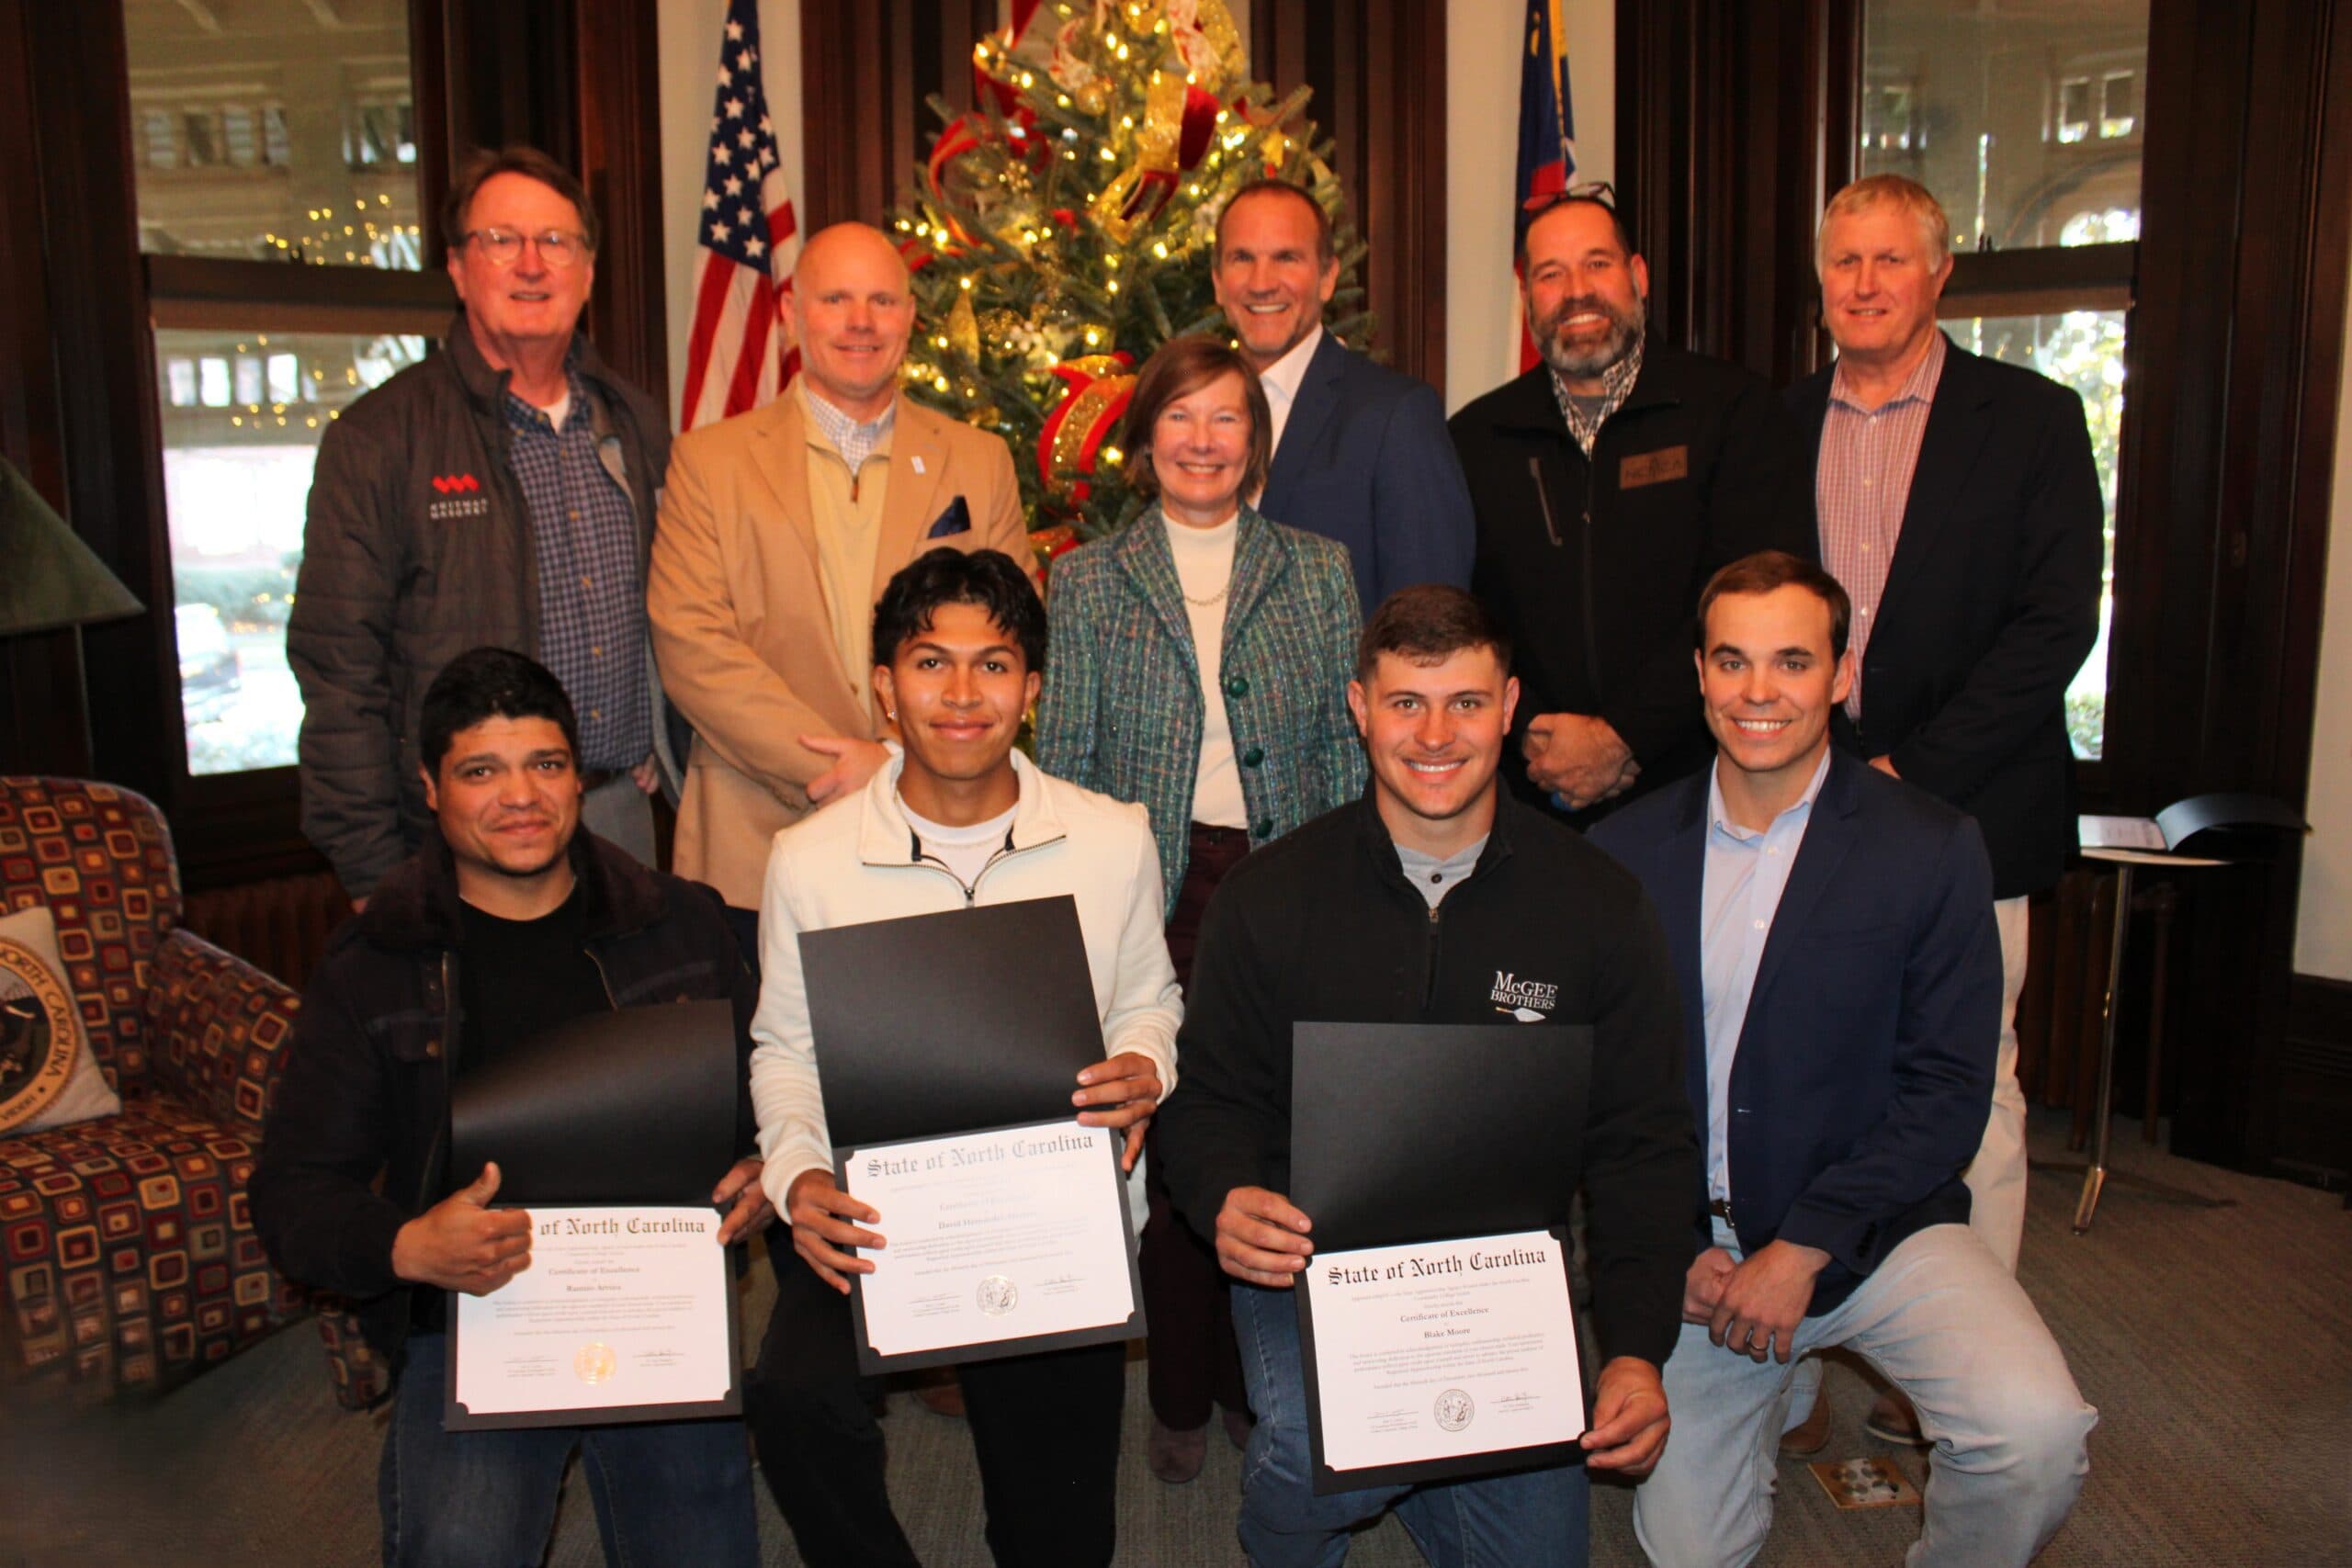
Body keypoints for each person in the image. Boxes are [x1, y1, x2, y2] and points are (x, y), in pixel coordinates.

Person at [1155, 584, 1696, 1567]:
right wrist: (1224, 1194)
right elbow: (1209, 1102)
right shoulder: (1269, 895)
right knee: (1314, 1454)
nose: (1436, 735)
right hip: (1314, 1264)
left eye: (1466, 703)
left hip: (1502, 1282)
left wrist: (1632, 1349)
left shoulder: (1598, 904)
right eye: (1407, 702)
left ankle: (1421, 1468)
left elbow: (1642, 1144)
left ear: (1510, 706)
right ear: (1360, 707)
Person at [1588, 552, 2097, 1567]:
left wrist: (1804, 1246)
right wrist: (1663, 1249)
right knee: (1688, 1554)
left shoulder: (1932, 846)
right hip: (1700, 1258)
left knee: (2035, 1437)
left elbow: (1947, 1092)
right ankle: (1770, 1391)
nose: (1759, 691)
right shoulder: (1621, 853)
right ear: (1700, 674)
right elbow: (1599, 1090)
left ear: (1841, 674)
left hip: (1877, 1232)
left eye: (1792, 661)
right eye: (1733, 661)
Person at [252, 648, 767, 1568]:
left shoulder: (678, 922)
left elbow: (770, 1089)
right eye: (481, 771)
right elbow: (292, 1192)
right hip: (473, 1311)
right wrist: (407, 1246)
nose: (520, 797)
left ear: (579, 777)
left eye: (545, 764)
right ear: (430, 787)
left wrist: (768, 1163)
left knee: (701, 1549)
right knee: (462, 1545)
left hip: (656, 1298)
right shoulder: (376, 964)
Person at [742, 547, 1182, 1567]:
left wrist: (1146, 1061)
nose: (962, 693)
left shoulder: (1112, 838)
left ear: (1032, 690)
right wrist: (799, 1175)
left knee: (1059, 1532)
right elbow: (785, 1050)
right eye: (930, 662)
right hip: (879, 1209)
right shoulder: (810, 859)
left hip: (1053, 1214)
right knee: (795, 1400)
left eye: (994, 664)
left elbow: (1149, 1001)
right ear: (885, 688)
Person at [1785, 173, 2103, 1445]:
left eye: (1889, 260)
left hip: (1971, 811)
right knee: (1801, 1067)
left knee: (1972, 1081)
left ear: (1939, 273)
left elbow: (2054, 627)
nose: (1863, 283)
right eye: (1843, 261)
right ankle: (1792, 1353)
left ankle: (1947, 1373)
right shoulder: (1776, 423)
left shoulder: (2030, 419)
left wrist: (1911, 775)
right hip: (1801, 807)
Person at [1034, 333, 1365, 1483]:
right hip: (1154, 895)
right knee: (1171, 1144)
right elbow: (1065, 764)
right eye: (1179, 416)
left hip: (1284, 889)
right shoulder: (1087, 580)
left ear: (1255, 442)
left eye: (1226, 417)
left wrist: (1347, 891)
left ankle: (1247, 1378)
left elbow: (1346, 751)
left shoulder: (1317, 570)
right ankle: (1178, 1390)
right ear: (1145, 440)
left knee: (1272, 1134)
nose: (1203, 440)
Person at [290, 146, 673, 904]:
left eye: (555, 242)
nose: (531, 264)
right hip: (459, 838)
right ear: (459, 269)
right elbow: (339, 672)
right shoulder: (381, 437)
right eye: (502, 240)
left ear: (587, 272)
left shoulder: (637, 422)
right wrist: (372, 872)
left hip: (618, 816)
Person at [649, 220, 1032, 948]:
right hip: (754, 846)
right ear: (790, 314)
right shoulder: (708, 462)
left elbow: (1010, 635)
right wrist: (842, 770)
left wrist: (894, 758)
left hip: (938, 844)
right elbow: (694, 648)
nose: (862, 322)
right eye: (836, 300)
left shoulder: (980, 462)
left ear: (909, 318)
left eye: (882, 301)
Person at [1448, 187, 1811, 823]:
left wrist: (1623, 736)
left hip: (1699, 792)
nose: (1577, 291)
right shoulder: (1476, 437)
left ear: (1638, 276)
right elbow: (1464, 612)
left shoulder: (1733, 412)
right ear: (1526, 294)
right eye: (1550, 274)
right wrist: (1529, 727)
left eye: (1597, 264)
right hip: (1530, 794)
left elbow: (1756, 601)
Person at [1213, 178, 1475, 613]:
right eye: (1242, 258)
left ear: (1328, 278)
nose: (1262, 283)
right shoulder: (1188, 421)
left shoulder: (1395, 416)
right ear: (1218, 281)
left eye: (1286, 258)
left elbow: (1429, 619)